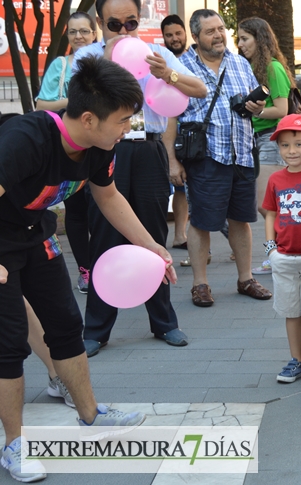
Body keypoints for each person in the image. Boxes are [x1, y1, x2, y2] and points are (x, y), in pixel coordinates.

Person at [0, 56, 161, 483]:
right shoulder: (26, 138)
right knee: (9, 340)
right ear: (89, 118)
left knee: (67, 325)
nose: (128, 127)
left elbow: (108, 197)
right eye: (123, 120)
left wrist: (152, 246)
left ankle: (91, 415)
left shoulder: (97, 148)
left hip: (35, 233)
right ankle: (14, 444)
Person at [76, 0, 206, 358]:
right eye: (114, 24)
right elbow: (72, 102)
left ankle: (163, 322)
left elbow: (199, 89)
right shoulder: (87, 56)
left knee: (152, 233)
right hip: (104, 150)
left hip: (147, 148)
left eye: (131, 22)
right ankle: (96, 330)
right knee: (103, 234)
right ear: (100, 23)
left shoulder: (154, 52)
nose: (124, 31)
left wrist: (168, 75)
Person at [175, 9, 271, 308]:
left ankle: (245, 279)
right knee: (201, 222)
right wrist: (171, 161)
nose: (218, 35)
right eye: (210, 31)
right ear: (196, 36)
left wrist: (255, 108)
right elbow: (169, 116)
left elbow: (249, 108)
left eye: (220, 29)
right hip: (205, 155)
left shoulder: (240, 63)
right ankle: (200, 284)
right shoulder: (181, 66)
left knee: (241, 220)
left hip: (241, 153)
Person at [36, 12, 97, 293]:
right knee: (76, 211)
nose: (78, 37)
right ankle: (86, 271)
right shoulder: (60, 65)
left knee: (104, 209)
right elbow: (41, 106)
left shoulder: (104, 65)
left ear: (94, 33)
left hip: (101, 150)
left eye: (84, 31)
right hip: (68, 150)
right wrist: (74, 101)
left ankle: (106, 266)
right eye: (73, 32)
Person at [263, 114, 301, 384]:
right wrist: (270, 250)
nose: (292, 151)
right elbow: (270, 214)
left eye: (298, 144)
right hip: (284, 257)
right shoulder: (275, 179)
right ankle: (296, 359)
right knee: (291, 311)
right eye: (285, 145)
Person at [238, 17, 295, 276]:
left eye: (244, 39)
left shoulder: (273, 68)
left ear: (259, 39)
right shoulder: (252, 67)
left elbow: (282, 109)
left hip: (273, 138)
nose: (240, 45)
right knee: (267, 204)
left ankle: (282, 252)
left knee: (266, 204)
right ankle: (284, 252)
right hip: (256, 141)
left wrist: (256, 113)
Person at [161, 13, 190, 252]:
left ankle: (183, 234)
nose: (174, 38)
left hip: (193, 133)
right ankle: (176, 235)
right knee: (172, 185)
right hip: (167, 131)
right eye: (169, 35)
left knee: (186, 187)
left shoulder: (194, 59)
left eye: (178, 33)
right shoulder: (162, 61)